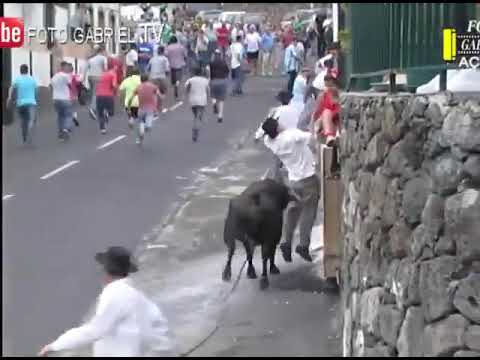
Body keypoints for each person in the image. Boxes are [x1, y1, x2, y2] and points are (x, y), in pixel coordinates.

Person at [38, 246, 175, 357]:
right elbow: (158, 330)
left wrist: (55, 346)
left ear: (105, 269)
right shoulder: (135, 295)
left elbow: (95, 330)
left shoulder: (115, 293)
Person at [260, 117, 320, 263]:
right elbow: (313, 137)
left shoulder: (270, 142)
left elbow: (266, 136)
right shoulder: (292, 135)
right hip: (308, 178)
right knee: (308, 211)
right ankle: (303, 244)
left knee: (292, 210)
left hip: (293, 180)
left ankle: (286, 241)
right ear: (278, 127)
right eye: (279, 123)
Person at [255, 90, 301, 184]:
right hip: (294, 138)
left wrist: (258, 136)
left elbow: (267, 123)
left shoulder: (276, 111)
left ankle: (278, 184)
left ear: (280, 100)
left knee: (277, 163)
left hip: (281, 140)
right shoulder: (296, 110)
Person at [128, 73, 164, 145]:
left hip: (141, 109)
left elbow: (132, 96)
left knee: (141, 122)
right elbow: (159, 95)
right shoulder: (153, 86)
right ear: (148, 79)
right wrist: (161, 100)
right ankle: (143, 129)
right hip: (150, 109)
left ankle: (139, 137)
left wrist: (129, 104)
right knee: (148, 126)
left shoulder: (138, 87)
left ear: (141, 80)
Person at [7, 64, 38, 145]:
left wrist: (9, 97)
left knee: (23, 120)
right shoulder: (32, 79)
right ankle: (29, 131)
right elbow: (36, 90)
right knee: (31, 120)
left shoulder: (17, 79)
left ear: (20, 70)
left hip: (20, 103)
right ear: (27, 70)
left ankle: (24, 137)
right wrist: (35, 98)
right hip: (31, 102)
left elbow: (11, 88)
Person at [185, 67, 210, 142]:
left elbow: (186, 88)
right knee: (198, 117)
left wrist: (188, 94)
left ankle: (197, 125)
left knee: (196, 115)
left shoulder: (190, 80)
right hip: (202, 100)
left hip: (193, 100)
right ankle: (195, 130)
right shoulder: (205, 80)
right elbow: (208, 90)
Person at [51, 61, 74, 141]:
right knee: (68, 115)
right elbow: (70, 85)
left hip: (56, 99)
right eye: (66, 67)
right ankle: (65, 129)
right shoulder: (66, 76)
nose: (67, 68)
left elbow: (51, 86)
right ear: (63, 67)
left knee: (60, 116)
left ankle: (60, 133)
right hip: (65, 98)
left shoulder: (54, 76)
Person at [85, 45, 108, 120]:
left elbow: (86, 68)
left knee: (94, 93)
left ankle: (96, 107)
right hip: (99, 77)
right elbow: (105, 68)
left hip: (91, 77)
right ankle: (93, 108)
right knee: (99, 94)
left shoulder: (91, 59)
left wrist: (83, 78)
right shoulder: (103, 58)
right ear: (101, 51)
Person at [95, 60, 118, 134]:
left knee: (100, 113)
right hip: (108, 95)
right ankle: (107, 114)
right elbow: (114, 85)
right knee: (111, 112)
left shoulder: (101, 74)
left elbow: (97, 85)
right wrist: (115, 92)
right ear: (113, 66)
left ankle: (102, 129)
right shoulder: (113, 74)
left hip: (99, 95)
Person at [208, 49, 229, 123]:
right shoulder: (223, 62)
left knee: (213, 95)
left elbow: (208, 72)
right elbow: (227, 71)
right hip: (222, 81)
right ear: (220, 55)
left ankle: (214, 103)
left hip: (213, 81)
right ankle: (220, 116)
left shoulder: (211, 63)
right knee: (221, 100)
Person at [147, 45, 170, 111]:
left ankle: (154, 107)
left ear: (157, 51)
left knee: (154, 93)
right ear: (163, 52)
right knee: (162, 92)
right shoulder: (165, 59)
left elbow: (148, 68)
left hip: (153, 78)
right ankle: (160, 107)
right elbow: (167, 69)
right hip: (161, 77)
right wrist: (167, 76)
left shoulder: (152, 58)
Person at [119, 66, 141, 131]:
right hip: (138, 102)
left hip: (128, 102)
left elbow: (121, 90)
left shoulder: (126, 80)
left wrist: (121, 101)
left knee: (131, 113)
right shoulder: (141, 79)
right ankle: (134, 120)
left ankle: (131, 119)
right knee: (138, 115)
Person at [166, 36, 187, 102]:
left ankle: (175, 85)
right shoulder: (181, 46)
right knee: (178, 78)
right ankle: (176, 86)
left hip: (171, 65)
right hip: (180, 65)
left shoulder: (168, 47)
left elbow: (166, 55)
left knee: (173, 79)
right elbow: (185, 55)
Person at [67, 63, 81, 128]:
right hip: (74, 94)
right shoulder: (75, 76)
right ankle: (74, 117)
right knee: (74, 108)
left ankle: (68, 120)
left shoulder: (64, 76)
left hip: (66, 95)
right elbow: (79, 83)